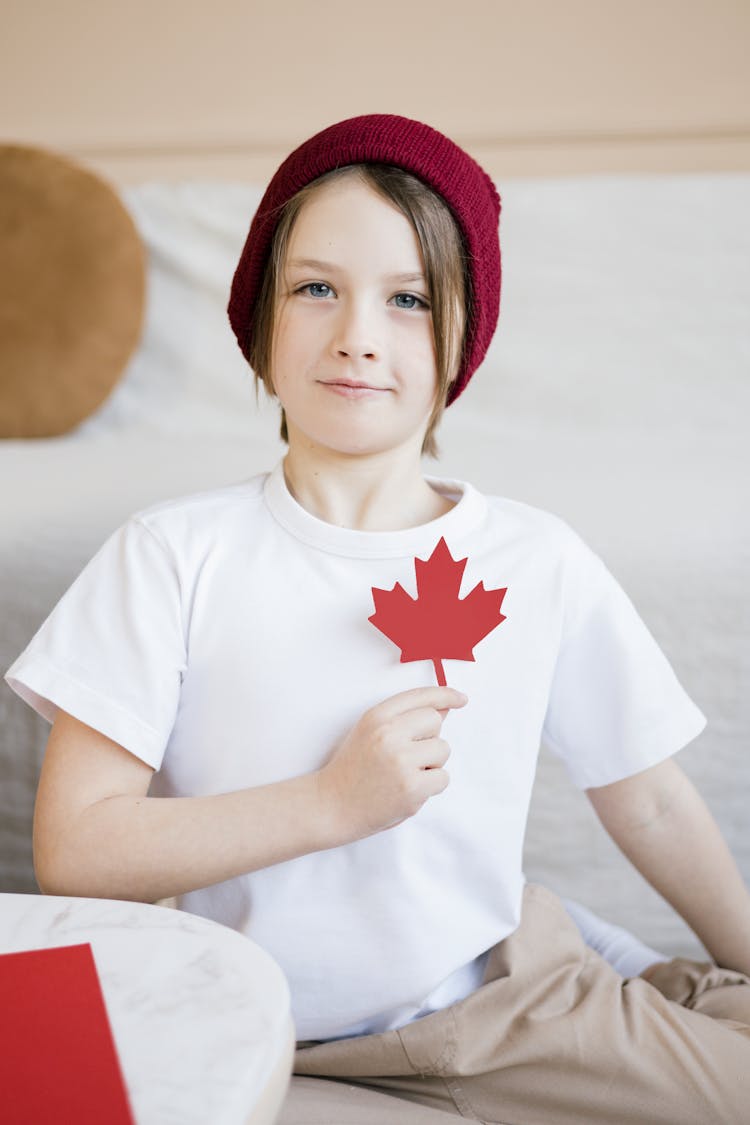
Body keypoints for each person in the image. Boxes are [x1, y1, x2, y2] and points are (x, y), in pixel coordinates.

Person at [6, 114, 750, 1123]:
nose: (358, 333)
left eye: (408, 300)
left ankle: (631, 965)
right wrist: (330, 804)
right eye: (317, 287)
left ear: (459, 343)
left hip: (503, 998)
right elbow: (80, 853)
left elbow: (650, 801)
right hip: (266, 1021)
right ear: (260, 320)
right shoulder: (171, 556)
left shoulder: (535, 560)